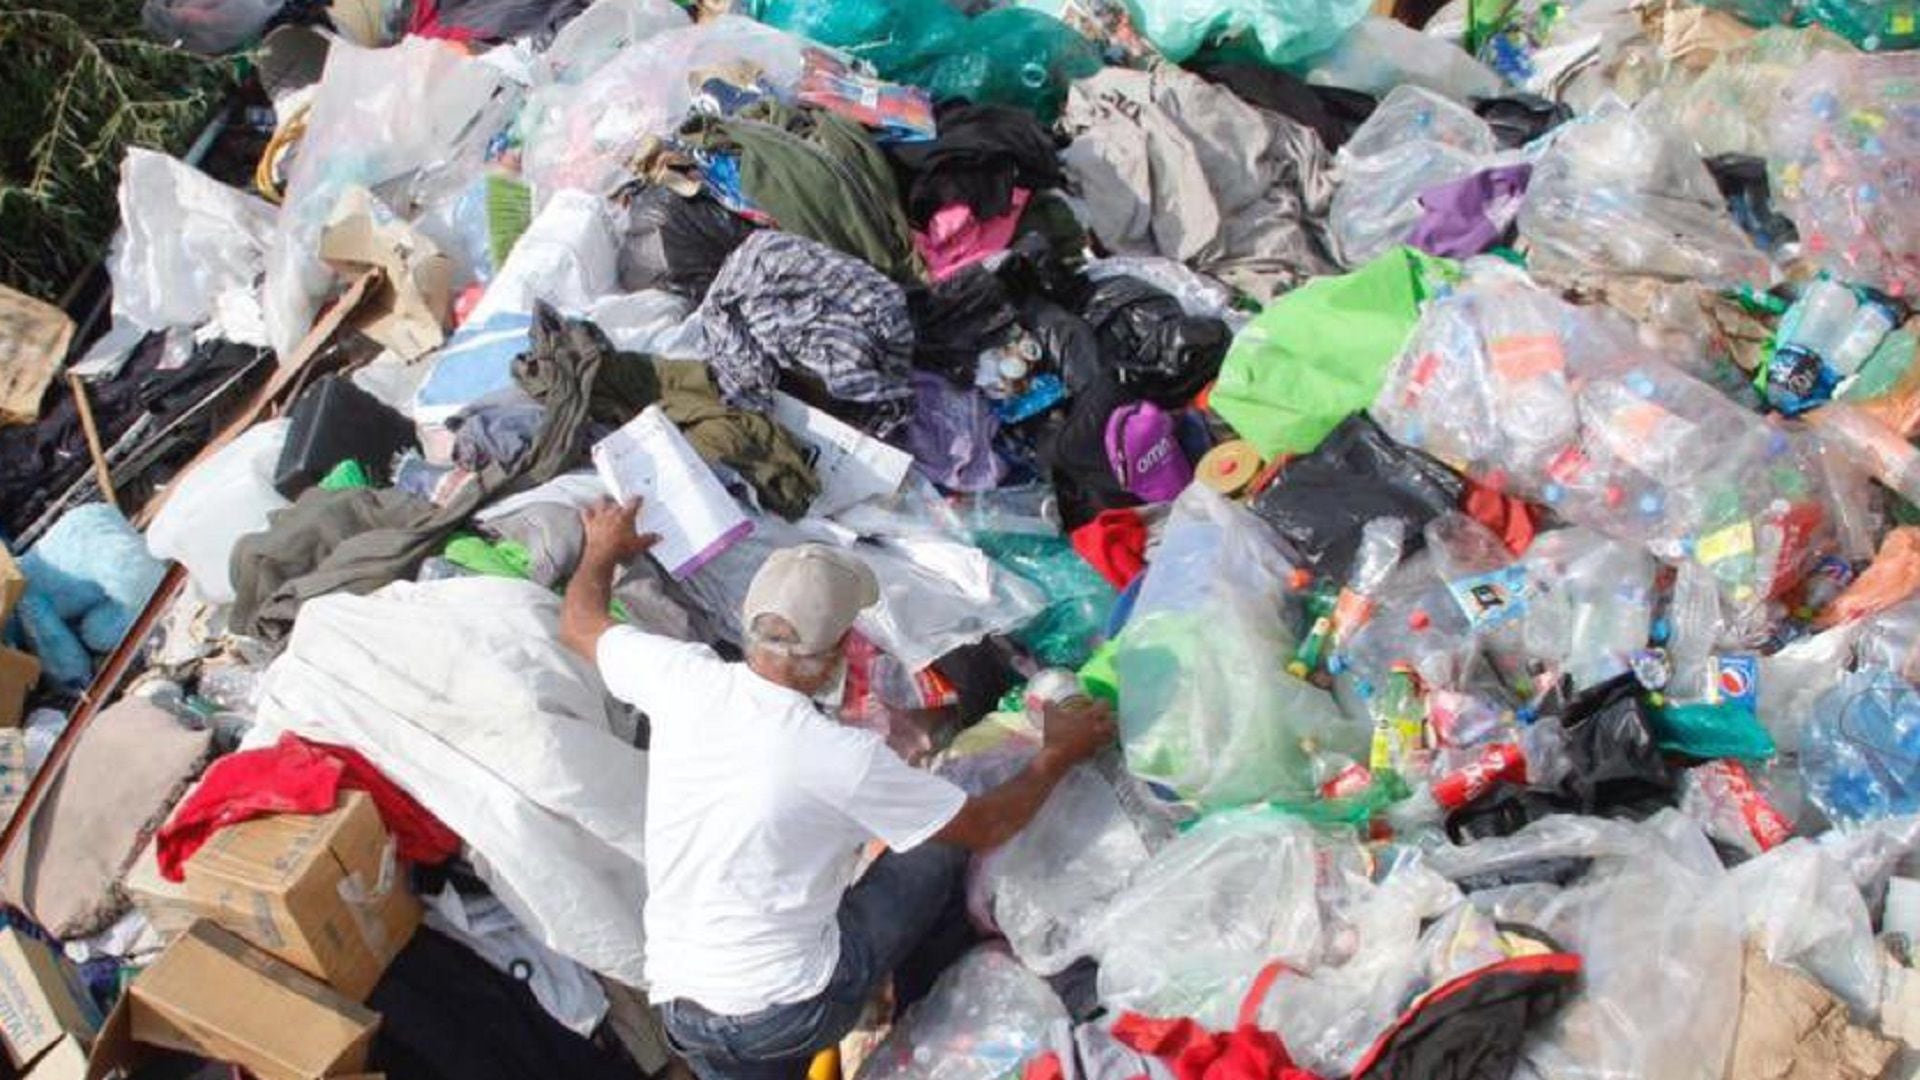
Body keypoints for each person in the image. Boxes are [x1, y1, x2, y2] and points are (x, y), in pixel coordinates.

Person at [560, 498, 1117, 1080]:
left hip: (684, 1011)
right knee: (937, 840)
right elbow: (986, 824)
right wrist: (1057, 754)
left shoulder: (680, 677)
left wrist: (602, 548)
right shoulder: (836, 755)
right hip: (792, 1009)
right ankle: (884, 987)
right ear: (834, 652)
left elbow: (578, 622)